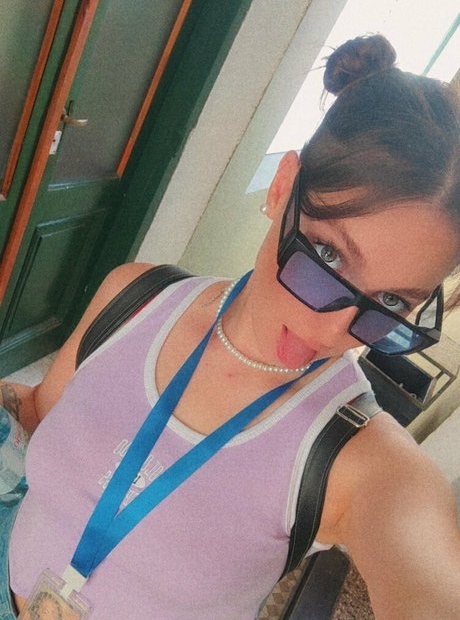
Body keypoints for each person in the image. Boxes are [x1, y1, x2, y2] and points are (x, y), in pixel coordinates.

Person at [1, 34, 460, 620]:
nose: (332, 330)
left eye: (392, 301)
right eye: (327, 256)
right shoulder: (135, 297)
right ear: (282, 187)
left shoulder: (362, 461)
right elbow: (39, 411)